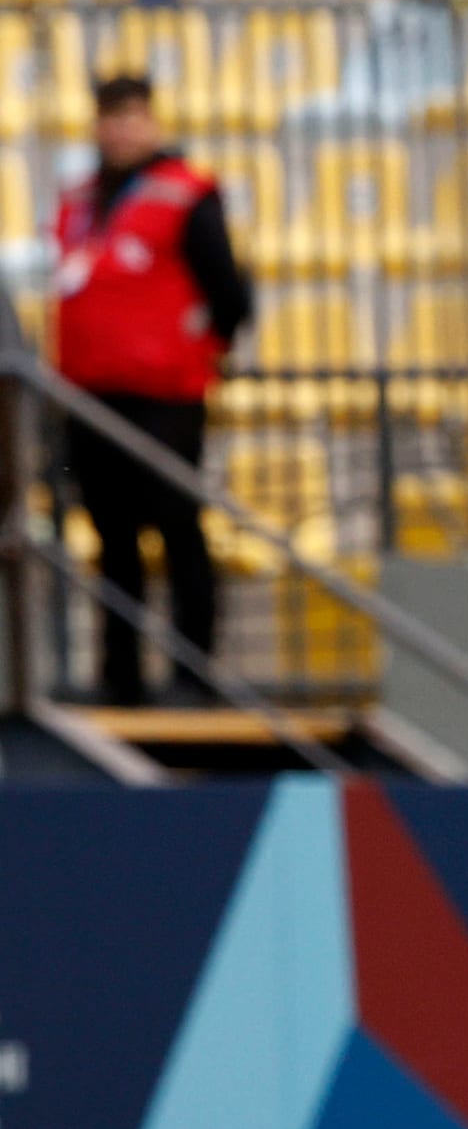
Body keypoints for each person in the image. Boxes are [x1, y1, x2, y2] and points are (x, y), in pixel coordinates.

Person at [52, 74, 251, 707]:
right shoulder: (80, 200)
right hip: (89, 396)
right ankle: (122, 678)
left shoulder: (188, 194)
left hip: (165, 397)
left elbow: (230, 294)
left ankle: (193, 674)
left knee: (177, 528)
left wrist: (192, 355)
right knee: (112, 538)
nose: (122, 128)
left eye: (133, 115)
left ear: (154, 121)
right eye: (111, 116)